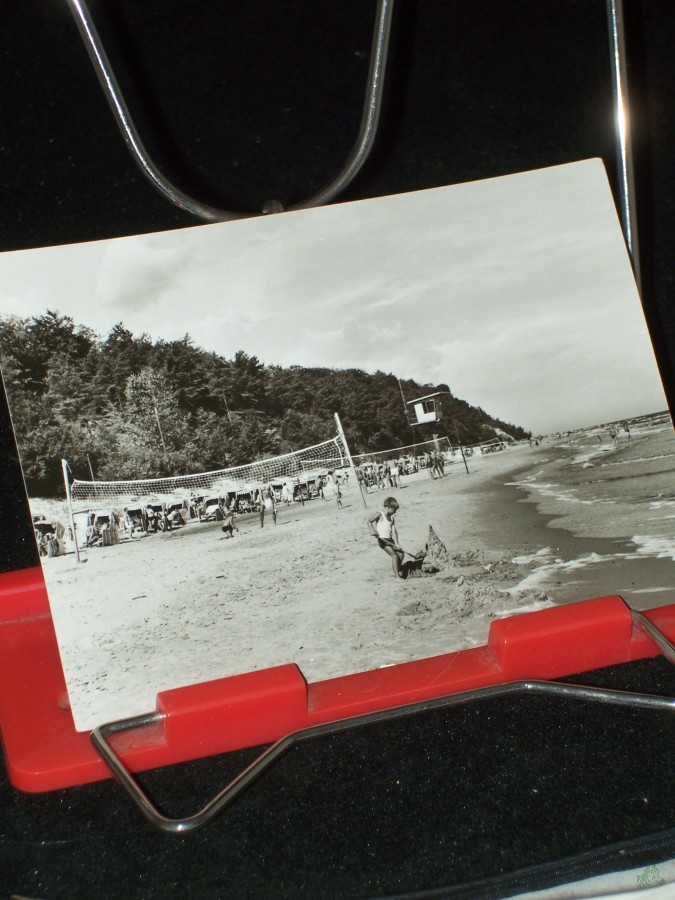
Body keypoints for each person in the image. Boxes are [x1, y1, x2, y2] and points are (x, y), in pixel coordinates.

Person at [368, 497, 405, 578]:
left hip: (390, 540)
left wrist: (397, 543)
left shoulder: (392, 518)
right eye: (394, 510)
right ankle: (397, 577)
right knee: (394, 556)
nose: (395, 512)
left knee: (401, 553)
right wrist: (373, 531)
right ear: (389, 507)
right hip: (382, 540)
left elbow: (394, 531)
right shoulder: (380, 514)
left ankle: (397, 569)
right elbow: (369, 521)